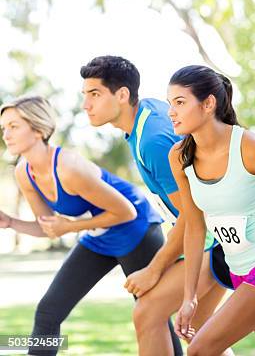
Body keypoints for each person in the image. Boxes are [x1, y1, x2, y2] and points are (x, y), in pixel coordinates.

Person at [80, 55, 232, 355]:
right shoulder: (147, 116)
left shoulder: (152, 140)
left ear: (122, 95)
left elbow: (193, 215)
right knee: (201, 336)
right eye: (84, 96)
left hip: (216, 239)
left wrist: (153, 269)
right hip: (214, 236)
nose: (86, 105)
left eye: (94, 94)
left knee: (147, 313)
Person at [0, 96, 164, 356]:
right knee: (48, 312)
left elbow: (126, 211)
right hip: (98, 236)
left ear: (39, 129)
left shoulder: (68, 167)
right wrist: (10, 222)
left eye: (14, 126)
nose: (6, 134)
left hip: (138, 230)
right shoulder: (24, 172)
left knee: (152, 318)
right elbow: (48, 227)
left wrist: (71, 227)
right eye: (4, 128)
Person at [166, 65, 255, 355]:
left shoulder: (250, 147)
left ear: (208, 104)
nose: (171, 112)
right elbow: (194, 227)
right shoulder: (179, 157)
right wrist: (189, 297)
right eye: (170, 104)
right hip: (238, 271)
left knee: (199, 350)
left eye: (179, 102)